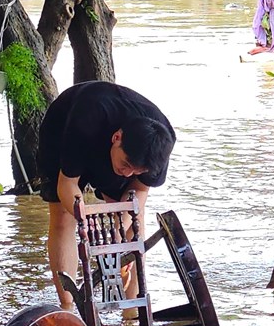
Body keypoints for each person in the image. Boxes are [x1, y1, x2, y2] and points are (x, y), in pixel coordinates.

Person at [37, 80, 175, 309]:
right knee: (63, 217)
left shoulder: (161, 143)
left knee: (133, 222)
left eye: (136, 171)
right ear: (116, 138)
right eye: (127, 164)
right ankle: (68, 308)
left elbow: (139, 191)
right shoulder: (85, 122)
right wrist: (89, 224)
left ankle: (132, 311)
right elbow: (66, 185)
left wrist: (118, 233)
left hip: (126, 141)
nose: (128, 173)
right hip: (64, 127)